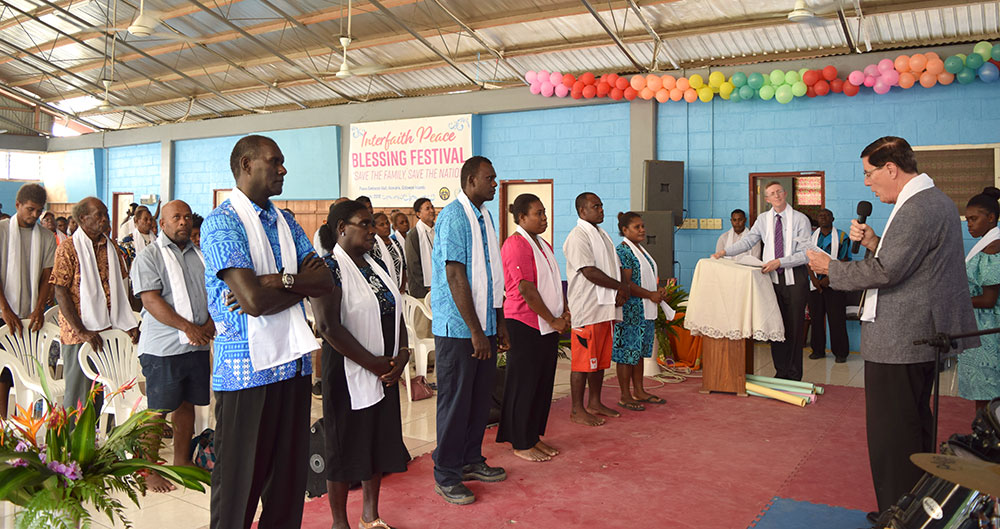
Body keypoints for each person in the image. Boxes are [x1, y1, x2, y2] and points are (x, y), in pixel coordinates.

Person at [807, 136, 978, 520]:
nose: (867, 183)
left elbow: (888, 271)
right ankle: (915, 507)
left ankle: (898, 515)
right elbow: (911, 262)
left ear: (891, 168)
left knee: (892, 435)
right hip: (916, 335)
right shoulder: (934, 201)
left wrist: (829, 269)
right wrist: (875, 242)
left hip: (902, 337)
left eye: (869, 174)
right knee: (913, 427)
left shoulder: (918, 207)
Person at [201, 135, 332, 529]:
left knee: (288, 484)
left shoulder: (287, 221)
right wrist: (293, 287)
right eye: (274, 162)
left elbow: (324, 279)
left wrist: (278, 280)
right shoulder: (221, 223)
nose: (283, 169)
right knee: (240, 485)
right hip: (247, 374)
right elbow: (254, 302)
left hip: (292, 367)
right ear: (246, 165)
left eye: (282, 162)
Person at [311, 200, 410, 529]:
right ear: (342, 228)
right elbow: (327, 327)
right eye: (364, 224)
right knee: (343, 447)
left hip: (385, 369)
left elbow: (394, 308)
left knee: (376, 442)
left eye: (372, 224)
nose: (372, 230)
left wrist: (404, 352)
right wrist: (374, 364)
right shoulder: (328, 269)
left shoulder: (374, 264)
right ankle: (341, 523)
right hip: (348, 371)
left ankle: (371, 515)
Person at [431, 156, 508, 505]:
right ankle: (446, 473)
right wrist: (476, 330)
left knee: (478, 400)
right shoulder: (453, 217)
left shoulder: (485, 218)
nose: (495, 183)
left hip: (484, 325)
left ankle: (471, 460)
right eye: (489, 178)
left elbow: (491, 278)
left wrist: (499, 322)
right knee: (456, 402)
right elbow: (455, 275)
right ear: (470, 180)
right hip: (459, 329)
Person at [129, 200, 214, 493]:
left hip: (196, 346)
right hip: (163, 348)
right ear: (161, 224)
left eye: (187, 217)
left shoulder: (199, 255)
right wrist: (188, 327)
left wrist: (209, 325)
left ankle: (181, 461)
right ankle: (146, 469)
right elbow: (151, 301)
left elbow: (210, 294)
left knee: (187, 404)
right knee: (158, 410)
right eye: (176, 217)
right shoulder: (149, 257)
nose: (183, 221)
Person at [713, 182, 812, 381]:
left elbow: (806, 254)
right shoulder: (764, 219)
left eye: (779, 192)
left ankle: (794, 375)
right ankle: (780, 372)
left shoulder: (801, 219)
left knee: (794, 328)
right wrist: (725, 251)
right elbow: (748, 241)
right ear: (766, 199)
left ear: (785, 194)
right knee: (776, 327)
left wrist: (780, 262)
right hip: (771, 279)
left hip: (794, 278)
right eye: (771, 194)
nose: (776, 196)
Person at [496, 193, 567, 462]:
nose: (544, 218)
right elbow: (526, 288)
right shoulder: (515, 244)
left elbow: (552, 281)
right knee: (523, 384)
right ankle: (520, 442)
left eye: (545, 212)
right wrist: (553, 319)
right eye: (538, 213)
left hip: (547, 323)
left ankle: (533, 437)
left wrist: (564, 311)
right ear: (522, 217)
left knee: (541, 383)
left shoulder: (542, 244)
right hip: (525, 323)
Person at [50, 197, 139, 411]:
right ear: (83, 218)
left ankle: (99, 440)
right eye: (99, 214)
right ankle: (75, 441)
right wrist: (81, 331)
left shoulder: (113, 248)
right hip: (79, 334)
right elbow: (60, 291)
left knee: (103, 392)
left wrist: (129, 322)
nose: (105, 219)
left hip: (108, 330)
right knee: (79, 396)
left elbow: (123, 286)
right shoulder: (69, 249)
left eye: (106, 213)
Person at [564, 192, 627, 427]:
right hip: (587, 308)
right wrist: (620, 287)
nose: (601, 210)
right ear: (582, 211)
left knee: (599, 360)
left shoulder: (603, 234)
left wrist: (619, 291)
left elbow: (614, 266)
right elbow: (588, 271)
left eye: (601, 206)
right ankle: (576, 409)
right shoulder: (578, 236)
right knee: (582, 362)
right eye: (596, 206)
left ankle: (595, 402)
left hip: (605, 308)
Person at [0, 183, 57, 419]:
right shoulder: (2, 231)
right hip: (2, 310)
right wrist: (5, 309)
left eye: (39, 211)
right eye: (30, 209)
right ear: (17, 205)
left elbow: (47, 276)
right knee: (3, 369)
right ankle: (2, 422)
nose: (35, 215)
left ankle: (27, 421)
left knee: (29, 366)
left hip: (30, 313)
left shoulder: (46, 237)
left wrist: (39, 309)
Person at [613, 212, 668, 411]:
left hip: (644, 309)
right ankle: (625, 395)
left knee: (637, 354)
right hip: (631, 310)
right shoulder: (624, 251)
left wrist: (657, 291)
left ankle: (639, 390)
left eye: (643, 226)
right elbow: (626, 283)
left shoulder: (641, 250)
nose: (642, 230)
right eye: (637, 227)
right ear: (625, 230)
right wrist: (649, 295)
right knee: (626, 354)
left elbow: (647, 276)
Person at [958, 187, 1000, 412]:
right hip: (980, 325)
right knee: (985, 393)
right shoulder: (986, 244)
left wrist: (956, 300)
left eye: (974, 219)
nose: (969, 224)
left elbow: (988, 300)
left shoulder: (993, 249)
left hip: (988, 329)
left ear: (991, 218)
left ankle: (987, 440)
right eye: (967, 220)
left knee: (988, 392)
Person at [807, 208, 852, 363]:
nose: (823, 218)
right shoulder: (811, 237)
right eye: (820, 216)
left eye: (826, 216)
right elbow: (807, 259)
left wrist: (828, 277)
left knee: (836, 320)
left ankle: (840, 353)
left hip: (835, 284)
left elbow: (845, 259)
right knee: (816, 319)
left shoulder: (841, 236)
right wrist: (814, 280)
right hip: (814, 285)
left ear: (832, 218)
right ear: (817, 220)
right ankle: (818, 350)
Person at [405, 197, 435, 299]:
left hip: (439, 287)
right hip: (421, 290)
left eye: (432, 207)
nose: (432, 211)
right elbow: (413, 264)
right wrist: (427, 286)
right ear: (418, 214)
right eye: (427, 208)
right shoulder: (413, 235)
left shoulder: (438, 230)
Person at [372, 212, 406, 291]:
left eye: (387, 223)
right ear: (374, 228)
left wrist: (402, 287)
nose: (386, 226)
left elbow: (403, 266)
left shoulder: (396, 243)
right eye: (382, 225)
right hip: (382, 290)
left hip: (398, 288)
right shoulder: (373, 246)